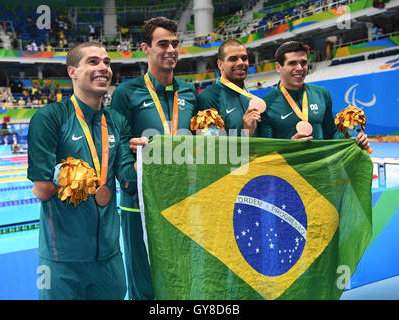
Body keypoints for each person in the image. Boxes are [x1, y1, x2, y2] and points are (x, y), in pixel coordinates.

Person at [27, 42, 136, 300]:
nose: (103, 68)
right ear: (72, 72)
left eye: (107, 62)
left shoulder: (117, 121)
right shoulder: (50, 118)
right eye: (93, 62)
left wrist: (143, 155)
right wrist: (67, 177)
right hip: (62, 259)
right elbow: (42, 190)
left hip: (110, 257)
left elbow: (128, 181)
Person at [110, 16, 198, 300]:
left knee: (183, 273)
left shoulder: (188, 91)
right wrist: (128, 179)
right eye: (163, 44)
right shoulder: (127, 93)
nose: (171, 49)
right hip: (139, 202)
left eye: (175, 43)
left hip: (182, 199)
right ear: (145, 49)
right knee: (142, 280)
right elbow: (117, 142)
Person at [258, 41, 370, 150]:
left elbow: (331, 134)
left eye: (303, 63)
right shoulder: (267, 104)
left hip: (322, 167)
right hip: (289, 168)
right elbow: (265, 150)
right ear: (278, 67)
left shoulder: (321, 94)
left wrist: (352, 138)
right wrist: (289, 148)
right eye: (292, 63)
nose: (300, 68)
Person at [198, 39, 261, 136]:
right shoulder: (208, 97)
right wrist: (245, 134)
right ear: (220, 65)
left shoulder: (250, 98)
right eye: (233, 59)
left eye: (244, 58)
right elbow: (209, 146)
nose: (241, 63)